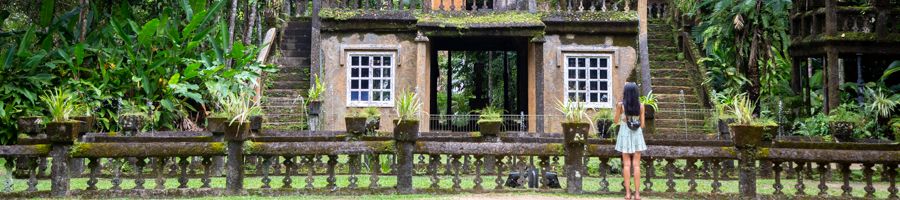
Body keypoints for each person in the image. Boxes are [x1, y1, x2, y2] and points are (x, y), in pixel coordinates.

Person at [614, 82, 648, 200]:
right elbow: (642, 125)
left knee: (627, 165)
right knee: (636, 165)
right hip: (637, 135)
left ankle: (628, 193)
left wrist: (623, 116)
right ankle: (637, 194)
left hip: (624, 134)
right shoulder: (641, 106)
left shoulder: (621, 105)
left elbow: (615, 121)